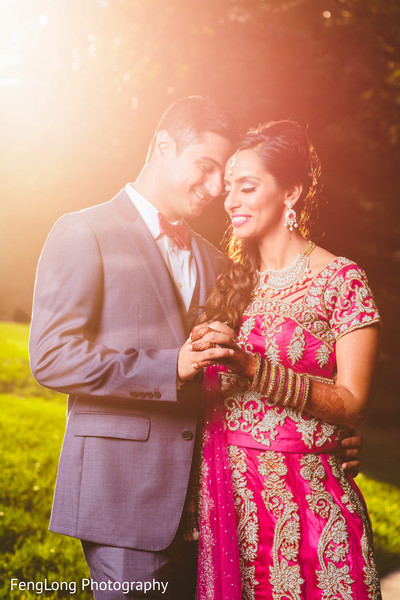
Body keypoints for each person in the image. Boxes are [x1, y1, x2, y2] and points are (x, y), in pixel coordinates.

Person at [29, 99, 362, 600]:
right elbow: (52, 356)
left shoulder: (218, 261)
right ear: (164, 147)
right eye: (205, 169)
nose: (213, 192)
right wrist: (172, 367)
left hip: (213, 499)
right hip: (125, 495)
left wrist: (328, 432)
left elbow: (248, 368)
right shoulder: (84, 232)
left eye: (223, 181)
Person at [187, 121, 382, 599]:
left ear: (291, 192)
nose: (230, 200)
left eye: (247, 187)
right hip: (233, 512)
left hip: (314, 508)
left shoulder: (341, 280)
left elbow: (353, 401)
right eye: (228, 188)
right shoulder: (226, 281)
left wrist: (251, 366)